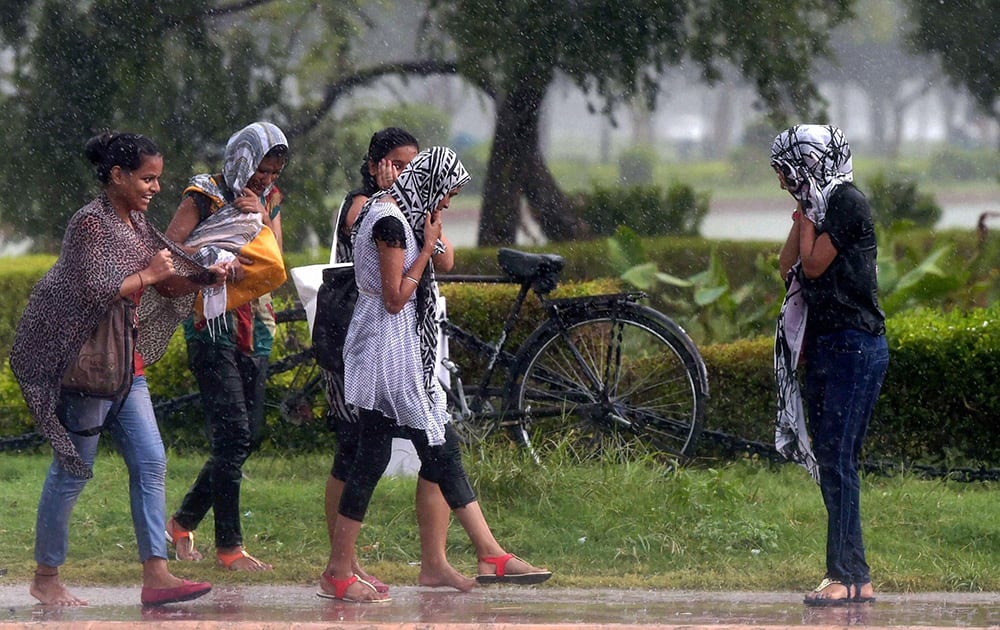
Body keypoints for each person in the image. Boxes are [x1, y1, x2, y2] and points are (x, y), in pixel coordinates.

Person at [320, 146, 551, 603]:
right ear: (429, 183)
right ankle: (484, 555)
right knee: (418, 448)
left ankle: (486, 553)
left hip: (393, 349)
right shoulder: (389, 222)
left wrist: (428, 241)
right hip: (388, 352)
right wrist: (424, 248)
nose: (446, 203)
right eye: (446, 192)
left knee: (409, 451)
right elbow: (393, 297)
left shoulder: (397, 211)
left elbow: (434, 268)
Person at [9, 132, 226, 607]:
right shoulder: (90, 224)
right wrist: (149, 274)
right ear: (118, 176)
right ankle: (46, 575)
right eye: (147, 178)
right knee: (74, 468)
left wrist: (205, 276)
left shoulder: (138, 222)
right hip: (87, 364)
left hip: (127, 364)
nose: (155, 188)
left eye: (158, 179)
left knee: (150, 462)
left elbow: (165, 283)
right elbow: (91, 290)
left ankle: (156, 575)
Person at [323, 128, 470, 593]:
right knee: (364, 449)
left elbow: (444, 261)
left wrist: (427, 228)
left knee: (393, 449)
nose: (407, 174)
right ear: (374, 165)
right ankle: (344, 565)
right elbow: (380, 261)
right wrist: (391, 198)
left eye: (414, 166)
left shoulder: (413, 211)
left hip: (404, 344)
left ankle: (368, 566)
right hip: (368, 341)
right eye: (398, 165)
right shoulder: (369, 206)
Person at [163, 121, 289, 572]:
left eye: (273, 172)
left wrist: (258, 212)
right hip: (210, 322)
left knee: (247, 435)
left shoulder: (269, 201)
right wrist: (213, 260)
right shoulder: (205, 193)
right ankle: (229, 547)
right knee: (233, 434)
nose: (266, 179)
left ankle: (182, 521)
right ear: (243, 157)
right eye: (260, 170)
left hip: (257, 326)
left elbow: (275, 258)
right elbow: (171, 248)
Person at [773, 124, 888, 606]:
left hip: (855, 346)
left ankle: (844, 574)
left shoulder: (846, 202)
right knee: (831, 463)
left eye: (787, 170)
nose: (783, 181)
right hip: (824, 347)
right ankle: (853, 576)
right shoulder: (819, 206)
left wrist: (806, 216)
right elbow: (786, 267)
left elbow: (814, 264)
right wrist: (802, 211)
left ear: (811, 162)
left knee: (839, 462)